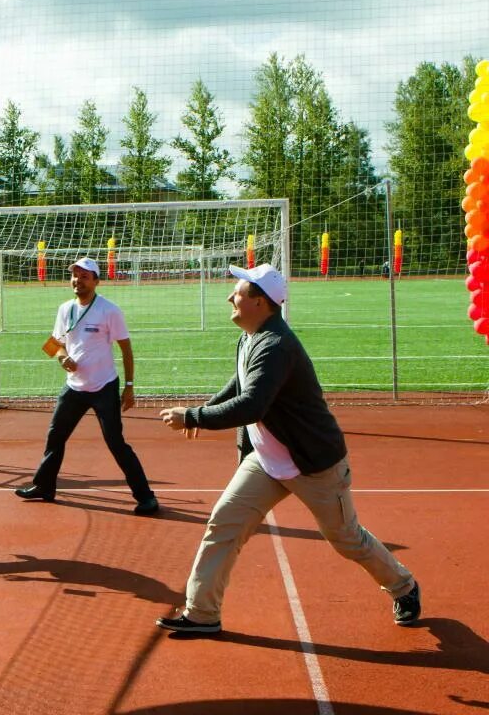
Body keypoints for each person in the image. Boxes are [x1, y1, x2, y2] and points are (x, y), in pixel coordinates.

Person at [156, 264, 420, 633]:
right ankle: (202, 614)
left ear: (260, 302)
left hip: (314, 465)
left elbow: (252, 405)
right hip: (266, 461)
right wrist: (205, 407)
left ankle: (404, 586)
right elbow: (240, 382)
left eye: (239, 293)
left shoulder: (277, 345)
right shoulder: (251, 336)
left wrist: (195, 416)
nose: (230, 298)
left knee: (346, 539)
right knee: (224, 525)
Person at [15, 258, 159, 514]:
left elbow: (126, 348)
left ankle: (146, 497)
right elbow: (53, 343)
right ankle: (44, 486)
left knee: (116, 442)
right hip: (74, 388)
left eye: (84, 276)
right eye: (75, 275)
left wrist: (129, 386)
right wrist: (62, 357)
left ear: (96, 281)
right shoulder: (65, 309)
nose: (77, 280)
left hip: (104, 387)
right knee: (55, 436)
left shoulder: (109, 310)